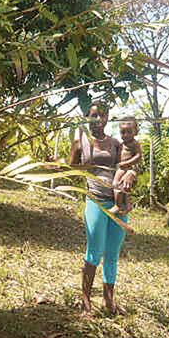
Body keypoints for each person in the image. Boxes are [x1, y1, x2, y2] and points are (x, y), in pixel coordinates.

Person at [70, 102, 136, 316]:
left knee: (113, 254)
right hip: (96, 201)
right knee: (94, 252)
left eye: (101, 116)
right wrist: (55, 164)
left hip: (118, 204)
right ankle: (86, 301)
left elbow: (132, 166)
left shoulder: (116, 143)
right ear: (87, 117)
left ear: (107, 118)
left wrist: (131, 175)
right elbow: (72, 169)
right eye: (93, 115)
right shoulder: (81, 141)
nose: (97, 120)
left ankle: (109, 301)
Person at [110, 118, 142, 215]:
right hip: (121, 168)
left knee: (116, 184)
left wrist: (127, 163)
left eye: (129, 132)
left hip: (126, 167)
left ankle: (118, 205)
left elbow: (138, 156)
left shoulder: (135, 143)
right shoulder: (121, 144)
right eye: (123, 132)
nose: (126, 135)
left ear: (135, 132)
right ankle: (128, 206)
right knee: (124, 187)